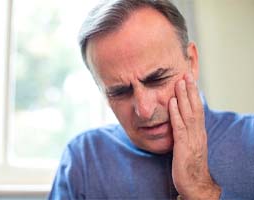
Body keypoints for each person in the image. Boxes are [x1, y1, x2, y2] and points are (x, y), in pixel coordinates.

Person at [49, 0, 254, 199]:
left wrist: (200, 189)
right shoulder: (83, 160)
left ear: (191, 62)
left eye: (157, 79)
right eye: (119, 91)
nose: (145, 110)